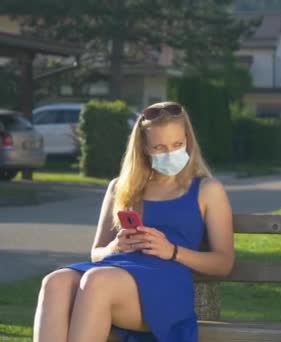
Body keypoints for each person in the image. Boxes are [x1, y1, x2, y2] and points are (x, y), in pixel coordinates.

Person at [33, 102, 234, 342]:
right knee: (55, 282)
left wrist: (172, 251)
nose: (170, 153)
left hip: (165, 285)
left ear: (188, 141)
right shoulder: (121, 188)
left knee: (97, 281)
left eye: (177, 145)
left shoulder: (207, 189)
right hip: (115, 271)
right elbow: (97, 253)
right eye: (159, 147)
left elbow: (223, 263)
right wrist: (115, 247)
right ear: (144, 148)